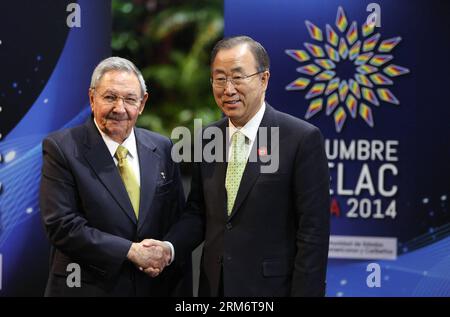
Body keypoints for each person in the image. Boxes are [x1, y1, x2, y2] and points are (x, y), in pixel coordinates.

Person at [153, 36, 330, 297]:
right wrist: (169, 248)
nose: (228, 88)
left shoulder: (300, 139)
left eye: (238, 77)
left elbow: (313, 233)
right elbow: (199, 213)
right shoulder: (206, 138)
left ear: (263, 79)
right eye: (220, 78)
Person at [39, 57, 191, 296]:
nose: (119, 108)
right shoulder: (62, 148)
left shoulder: (162, 147)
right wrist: (130, 251)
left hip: (152, 288)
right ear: (92, 98)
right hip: (88, 288)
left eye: (130, 99)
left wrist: (165, 250)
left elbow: (177, 217)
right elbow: (61, 225)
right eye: (110, 97)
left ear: (142, 104)